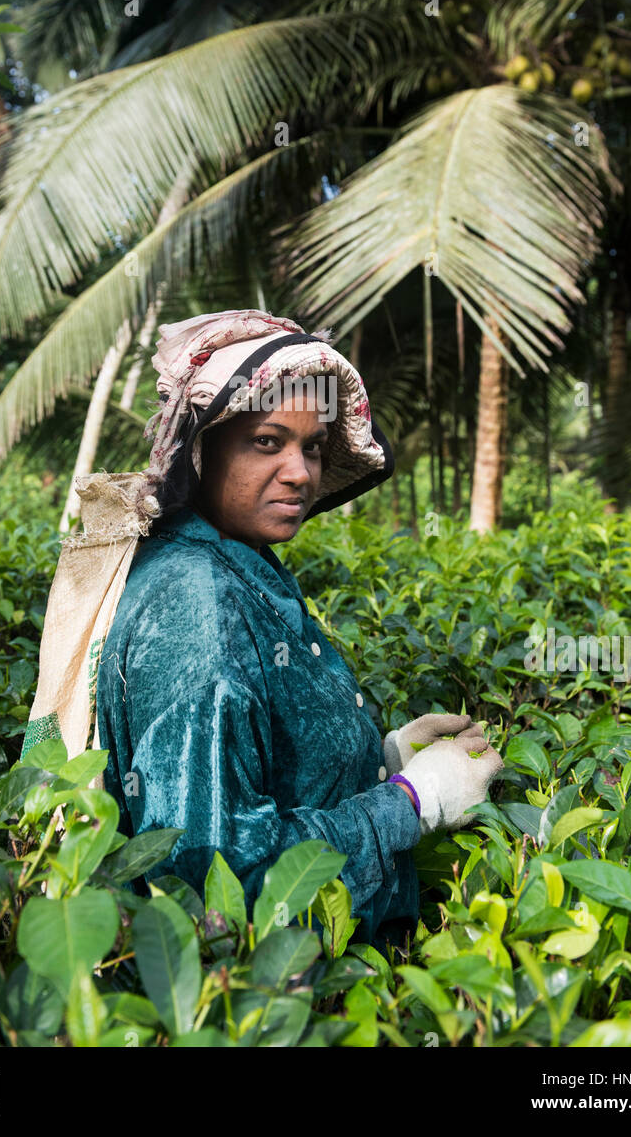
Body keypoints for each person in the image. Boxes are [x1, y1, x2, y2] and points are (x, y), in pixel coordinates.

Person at [95, 308, 503, 957]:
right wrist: (411, 800)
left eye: (311, 447)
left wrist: (387, 755)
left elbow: (256, 760)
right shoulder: (193, 601)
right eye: (266, 442)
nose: (300, 472)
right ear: (202, 451)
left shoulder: (241, 559)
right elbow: (212, 884)